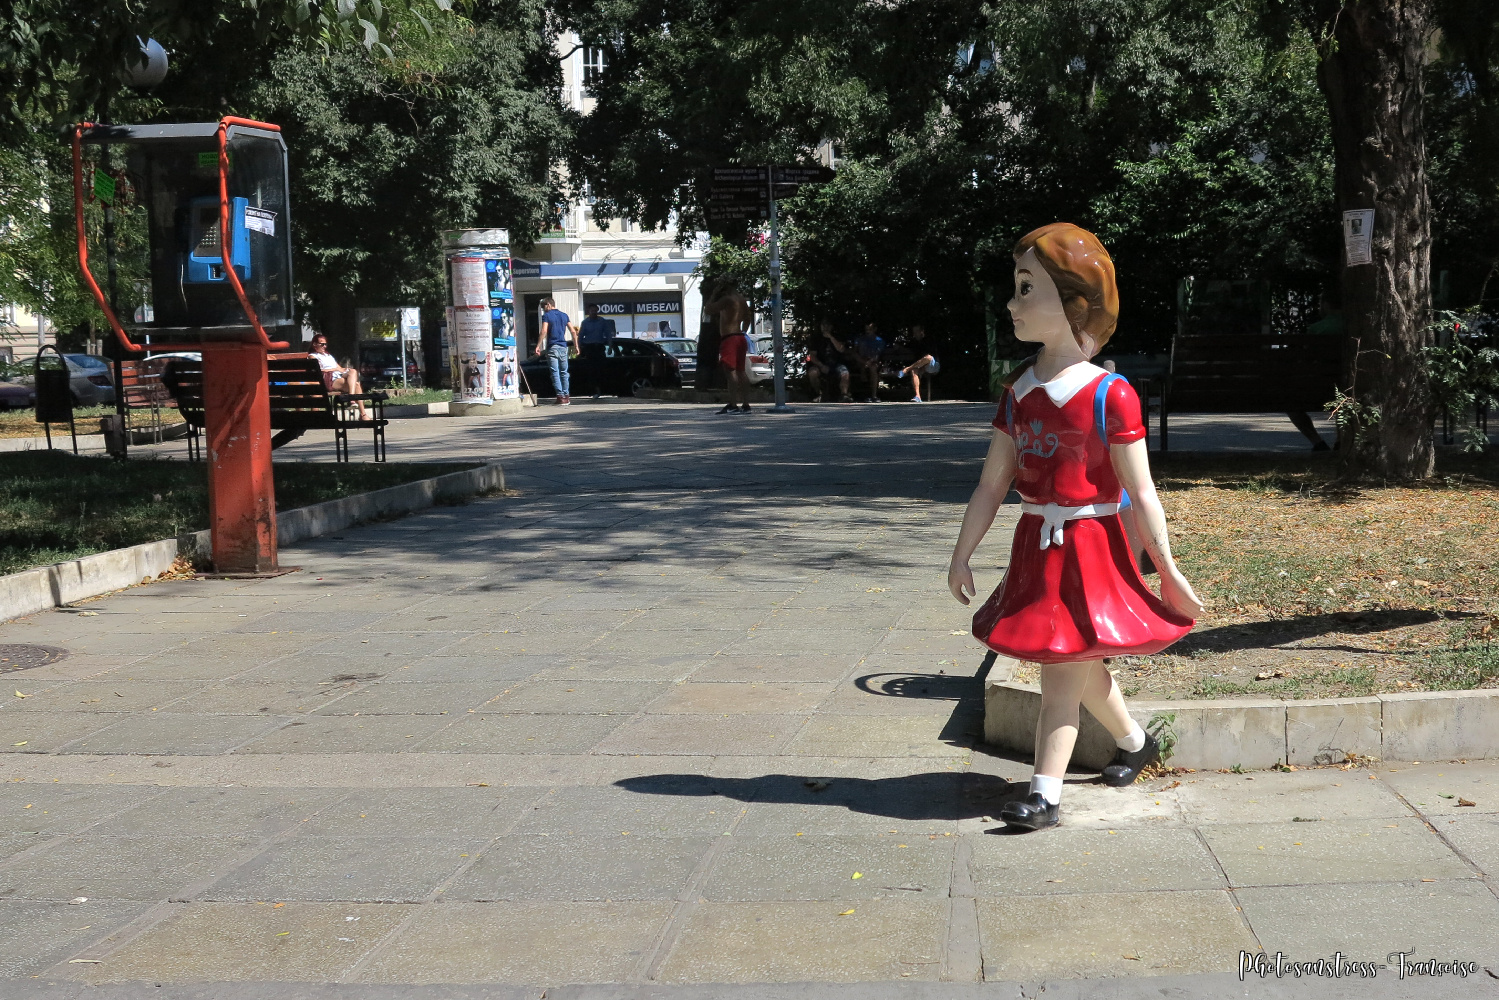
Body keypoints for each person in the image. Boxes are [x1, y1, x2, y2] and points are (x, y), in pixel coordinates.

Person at [947, 222, 1202, 832]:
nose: (1013, 303)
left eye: (1026, 288)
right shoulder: (1018, 393)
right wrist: (962, 553)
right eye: (1016, 287)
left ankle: (1045, 794)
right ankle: (1136, 742)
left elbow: (1142, 491)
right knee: (1076, 662)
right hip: (1037, 547)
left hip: (1090, 547)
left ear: (1076, 302)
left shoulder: (1111, 395)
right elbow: (991, 484)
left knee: (1061, 673)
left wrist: (1166, 569)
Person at [703, 280, 753, 414]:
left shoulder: (727, 299)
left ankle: (733, 404)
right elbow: (748, 317)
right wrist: (743, 331)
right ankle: (746, 404)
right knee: (741, 371)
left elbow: (708, 309)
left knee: (731, 371)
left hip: (729, 338)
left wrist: (713, 294)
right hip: (740, 337)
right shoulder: (742, 300)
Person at [309, 334, 368, 418]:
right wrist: (335, 369)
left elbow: (339, 368)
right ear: (315, 344)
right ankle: (362, 414)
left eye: (325, 344)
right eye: (322, 344)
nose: (324, 346)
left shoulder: (328, 355)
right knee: (357, 385)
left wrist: (344, 369)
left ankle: (351, 399)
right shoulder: (313, 356)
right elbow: (319, 370)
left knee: (353, 371)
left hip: (337, 376)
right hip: (328, 379)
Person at [535, 297, 578, 405]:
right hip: (563, 347)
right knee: (564, 372)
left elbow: (544, 330)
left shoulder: (547, 316)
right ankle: (566, 396)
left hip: (552, 346)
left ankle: (560, 396)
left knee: (555, 372)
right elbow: (573, 331)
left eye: (544, 307)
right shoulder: (564, 315)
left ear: (549, 305)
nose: (544, 310)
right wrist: (576, 346)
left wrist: (538, 345)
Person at [806, 319, 852, 402]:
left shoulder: (837, 336)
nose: (825, 327)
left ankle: (844, 394)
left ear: (831, 327)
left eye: (827, 325)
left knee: (845, 373)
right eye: (823, 325)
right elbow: (812, 356)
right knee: (813, 373)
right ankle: (818, 394)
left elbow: (841, 349)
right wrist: (821, 365)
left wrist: (831, 337)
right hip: (821, 363)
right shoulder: (816, 339)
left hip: (836, 364)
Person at [577, 303, 616, 399]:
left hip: (599, 348)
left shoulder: (602, 321)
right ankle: (593, 390)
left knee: (600, 370)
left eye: (595, 311)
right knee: (591, 370)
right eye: (592, 311)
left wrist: (610, 346)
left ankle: (601, 390)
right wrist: (579, 348)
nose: (594, 312)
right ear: (588, 312)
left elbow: (608, 334)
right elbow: (580, 336)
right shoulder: (585, 323)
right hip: (589, 349)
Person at [893, 325, 939, 402]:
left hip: (933, 365)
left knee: (928, 357)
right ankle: (917, 396)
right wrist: (898, 347)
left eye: (916, 331)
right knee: (914, 370)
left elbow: (930, 356)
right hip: (920, 366)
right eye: (914, 332)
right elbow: (905, 348)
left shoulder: (929, 340)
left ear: (922, 331)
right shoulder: (913, 342)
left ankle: (906, 369)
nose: (914, 333)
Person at [853, 322, 884, 402]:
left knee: (873, 369)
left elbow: (877, 355)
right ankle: (865, 395)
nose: (868, 331)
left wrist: (869, 362)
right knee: (863, 368)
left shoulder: (879, 341)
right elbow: (855, 353)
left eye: (870, 329)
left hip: (873, 362)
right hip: (861, 361)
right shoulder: (859, 339)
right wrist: (864, 362)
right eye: (866, 329)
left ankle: (874, 396)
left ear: (875, 329)